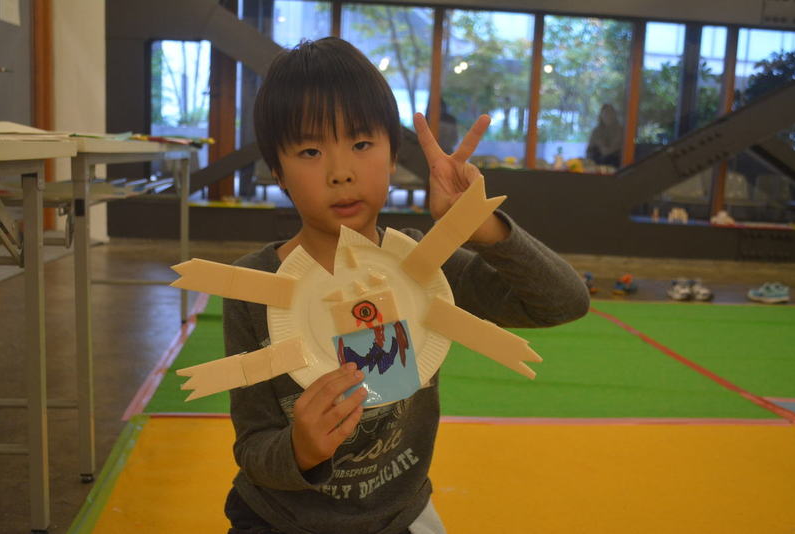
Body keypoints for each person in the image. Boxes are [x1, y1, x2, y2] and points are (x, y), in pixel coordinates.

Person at [223, 37, 590, 534]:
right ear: (278, 172)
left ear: (393, 156)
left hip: (401, 514)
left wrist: (479, 226)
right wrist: (299, 450)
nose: (340, 173)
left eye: (361, 144)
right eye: (310, 151)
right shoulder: (254, 288)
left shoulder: (423, 266)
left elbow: (563, 302)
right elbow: (252, 447)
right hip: (279, 520)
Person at [586, 103, 623, 168]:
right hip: (597, 165)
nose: (608, 116)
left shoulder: (620, 130)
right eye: (605, 113)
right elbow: (589, 150)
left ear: (614, 115)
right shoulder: (596, 131)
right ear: (601, 115)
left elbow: (615, 148)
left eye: (610, 113)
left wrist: (606, 150)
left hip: (615, 164)